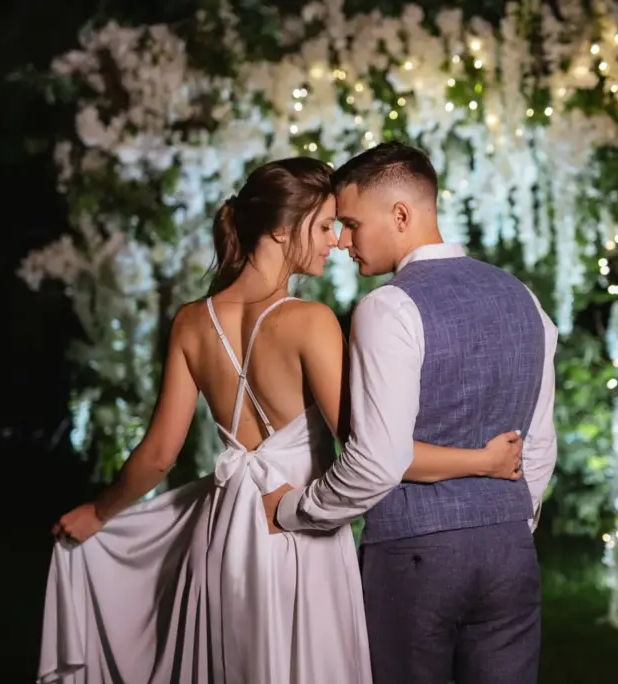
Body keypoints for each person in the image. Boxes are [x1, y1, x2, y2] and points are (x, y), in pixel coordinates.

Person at [41, 157, 525, 684]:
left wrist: (100, 512)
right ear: (279, 229)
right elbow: (373, 452)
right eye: (323, 226)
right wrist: (481, 461)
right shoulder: (310, 322)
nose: (335, 241)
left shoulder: (191, 323)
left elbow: (158, 455)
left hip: (226, 534)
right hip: (298, 530)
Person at [270, 142, 559, 684]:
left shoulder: (388, 307)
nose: (343, 242)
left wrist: (296, 511)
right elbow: (538, 443)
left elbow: (377, 460)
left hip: (414, 556)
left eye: (352, 224)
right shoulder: (523, 297)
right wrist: (512, 523)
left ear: (400, 215)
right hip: (510, 551)